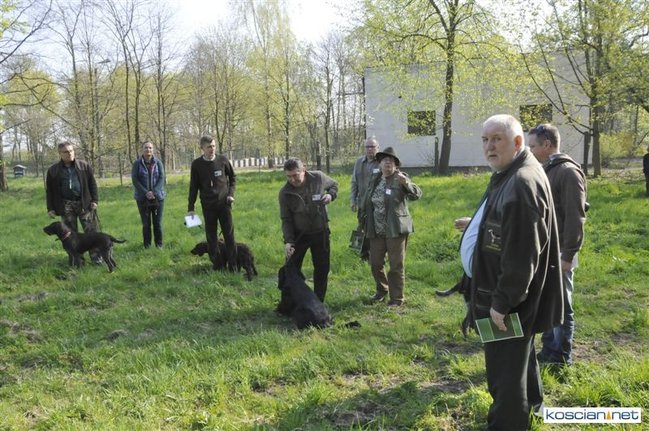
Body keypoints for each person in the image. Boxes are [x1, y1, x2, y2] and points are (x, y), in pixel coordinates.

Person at [459, 115, 563, 430]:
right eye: (485, 139)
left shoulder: (520, 183)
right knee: (520, 357)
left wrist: (501, 303)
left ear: (517, 142)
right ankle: (534, 408)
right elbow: (510, 229)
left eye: (497, 139)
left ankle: (508, 424)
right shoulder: (512, 172)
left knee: (504, 373)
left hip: (506, 302)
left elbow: (522, 256)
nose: (489, 146)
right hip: (508, 298)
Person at [528, 124, 587, 366]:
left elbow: (575, 217)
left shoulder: (568, 172)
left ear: (547, 144)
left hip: (562, 251)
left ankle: (562, 357)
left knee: (562, 304)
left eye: (533, 146)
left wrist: (568, 255)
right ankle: (549, 349)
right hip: (546, 250)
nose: (530, 150)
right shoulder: (547, 170)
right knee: (548, 302)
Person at [361, 147, 422, 307]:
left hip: (395, 229)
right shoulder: (375, 178)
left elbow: (417, 194)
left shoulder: (400, 178)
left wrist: (406, 184)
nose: (387, 163)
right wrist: (362, 221)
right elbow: (367, 201)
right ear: (379, 164)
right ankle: (382, 290)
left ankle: (397, 298)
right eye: (384, 160)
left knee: (396, 265)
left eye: (391, 161)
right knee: (375, 263)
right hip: (376, 229)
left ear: (396, 165)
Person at [279, 158, 338, 302]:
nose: (292, 179)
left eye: (295, 175)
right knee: (291, 269)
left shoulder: (318, 178)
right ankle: (288, 303)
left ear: (303, 170)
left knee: (322, 268)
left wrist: (330, 195)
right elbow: (286, 219)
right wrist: (289, 241)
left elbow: (334, 185)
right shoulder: (285, 193)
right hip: (299, 235)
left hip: (320, 232)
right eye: (289, 176)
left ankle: (318, 302)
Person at [46, 141, 102, 263]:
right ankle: (77, 260)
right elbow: (49, 191)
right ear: (60, 153)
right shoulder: (53, 170)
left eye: (71, 151)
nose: (70, 153)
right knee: (70, 234)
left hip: (84, 204)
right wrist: (50, 208)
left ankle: (96, 257)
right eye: (66, 152)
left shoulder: (84, 166)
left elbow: (92, 184)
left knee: (91, 232)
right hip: (65, 205)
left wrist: (95, 200)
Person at [188, 135, 237, 270]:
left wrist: (230, 194)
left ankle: (233, 265)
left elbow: (232, 178)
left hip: (224, 204)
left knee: (229, 235)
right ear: (202, 148)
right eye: (209, 147)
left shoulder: (222, 160)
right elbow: (193, 187)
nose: (212, 149)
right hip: (208, 206)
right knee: (211, 237)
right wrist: (191, 208)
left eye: (214, 146)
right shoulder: (197, 165)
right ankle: (218, 264)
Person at [132, 140, 166, 249]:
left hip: (158, 198)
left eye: (150, 148)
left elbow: (162, 178)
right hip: (142, 198)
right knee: (146, 224)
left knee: (157, 223)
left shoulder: (158, 162)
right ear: (142, 150)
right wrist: (146, 192)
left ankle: (159, 245)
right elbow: (135, 179)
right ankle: (147, 246)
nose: (148, 150)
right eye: (146, 147)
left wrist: (154, 192)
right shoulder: (137, 164)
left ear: (153, 150)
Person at [350, 137, 381, 260]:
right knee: (361, 227)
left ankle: (378, 256)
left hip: (377, 205)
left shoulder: (381, 162)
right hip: (362, 203)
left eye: (372, 147)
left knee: (376, 230)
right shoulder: (359, 162)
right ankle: (361, 254)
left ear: (378, 148)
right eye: (367, 147)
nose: (369, 149)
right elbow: (354, 182)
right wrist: (353, 200)